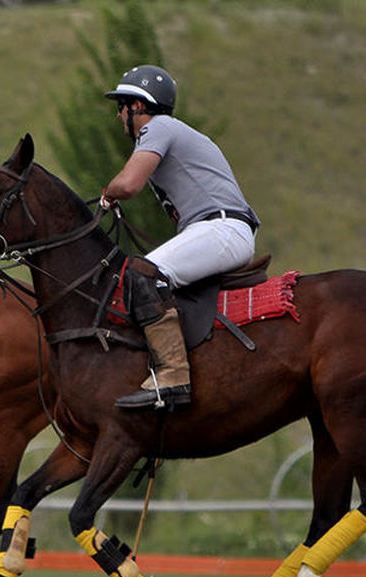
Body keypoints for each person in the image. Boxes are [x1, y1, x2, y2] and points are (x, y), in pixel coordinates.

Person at [99, 64, 260, 410]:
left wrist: (108, 193)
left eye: (121, 107)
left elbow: (128, 185)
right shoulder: (172, 131)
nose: (118, 116)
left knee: (143, 273)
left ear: (139, 107)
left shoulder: (158, 127)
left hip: (221, 229)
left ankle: (172, 375)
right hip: (222, 229)